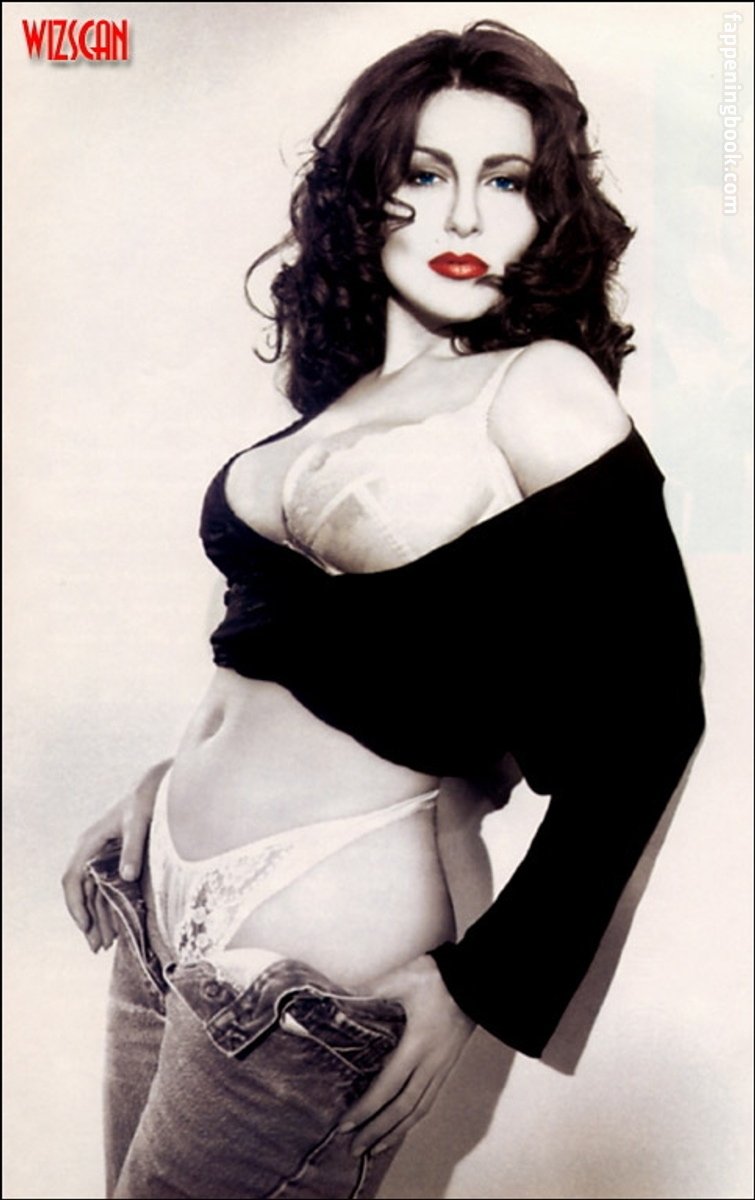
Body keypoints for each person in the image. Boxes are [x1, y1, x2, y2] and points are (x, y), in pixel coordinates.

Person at [62, 19, 704, 1200]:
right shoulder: (341, 398)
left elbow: (652, 716)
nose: (462, 217)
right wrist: (163, 786)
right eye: (424, 172)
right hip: (156, 903)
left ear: (545, 213)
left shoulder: (541, 391)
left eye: (504, 182)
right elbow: (286, 654)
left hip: (315, 950)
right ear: (365, 193)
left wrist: (483, 983)